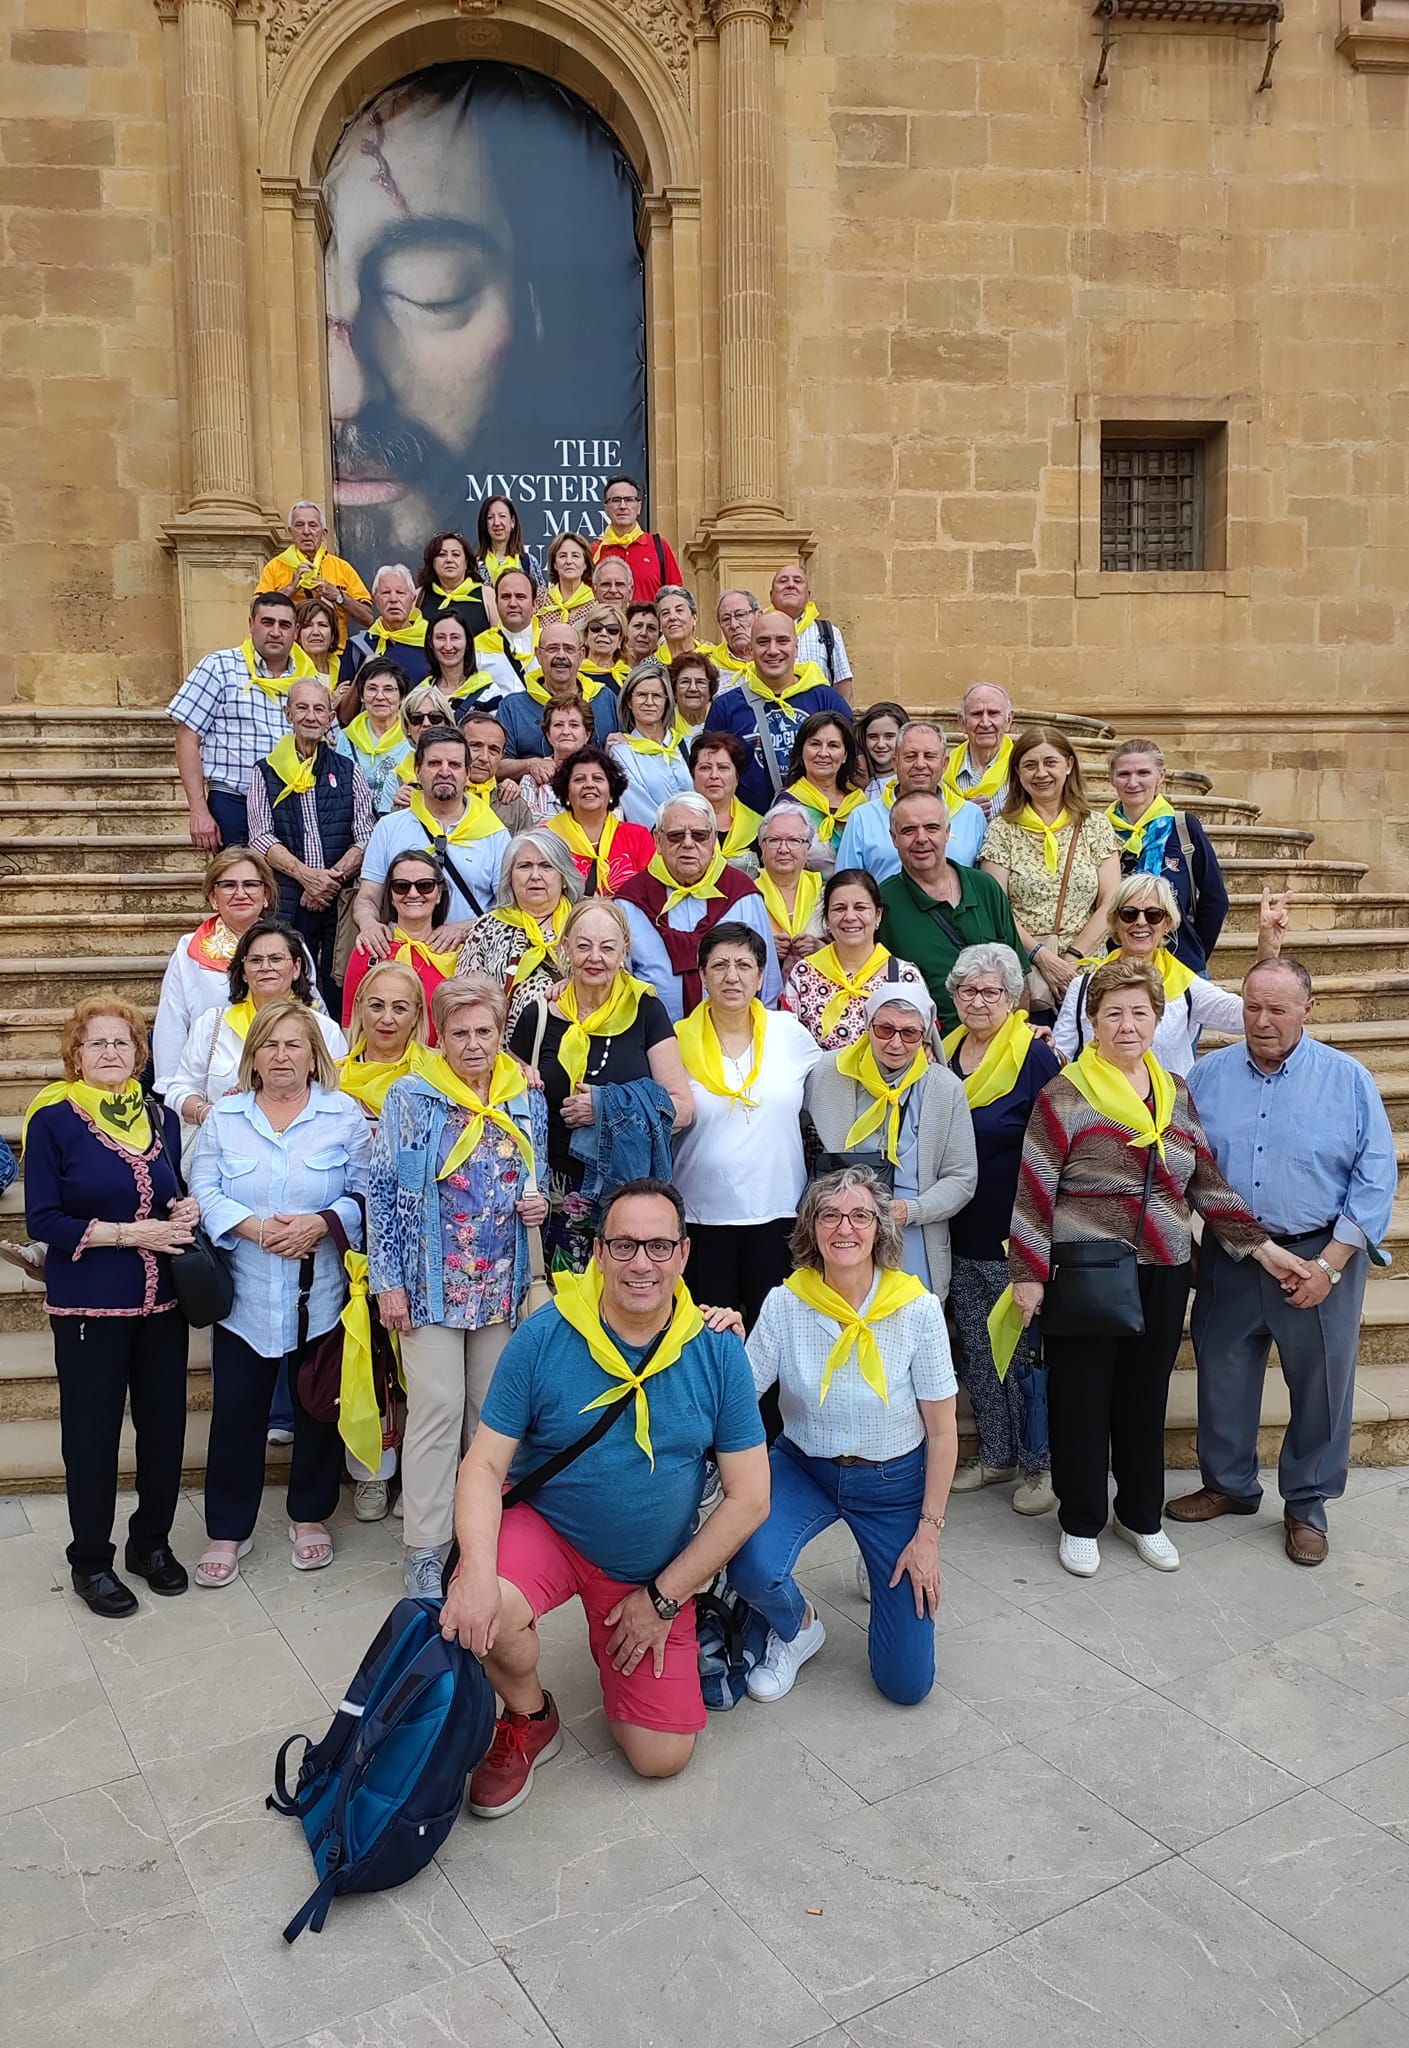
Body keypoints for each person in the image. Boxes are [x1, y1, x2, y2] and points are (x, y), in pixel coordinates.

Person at [441, 1177, 769, 1809]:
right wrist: (476, 1572)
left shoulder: (718, 1350)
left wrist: (664, 1599)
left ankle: (627, 1640)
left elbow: (751, 1496)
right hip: (550, 1529)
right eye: (623, 1245)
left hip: (648, 1566)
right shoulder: (545, 1335)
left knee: (660, 1757)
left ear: (683, 1254)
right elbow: (482, 1465)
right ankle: (529, 1713)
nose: (641, 1263)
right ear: (598, 1252)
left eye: (658, 1246)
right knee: (487, 1609)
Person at [1008, 959, 1309, 1579]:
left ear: (1158, 1019)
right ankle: (1081, 1519)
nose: (1128, 1025)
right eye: (1113, 1013)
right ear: (1093, 1022)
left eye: (1140, 1012)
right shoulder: (1064, 1094)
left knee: (1144, 1399)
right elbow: (1035, 1187)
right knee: (1081, 1398)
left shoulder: (1174, 1090)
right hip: (1088, 1268)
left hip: (1164, 1268)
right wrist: (1028, 1273)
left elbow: (1205, 1182)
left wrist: (1264, 1249)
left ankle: (1141, 1515)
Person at [1170, 959, 1398, 1564]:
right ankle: (1229, 1485)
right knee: (1222, 1375)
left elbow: (1376, 1176)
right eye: (1252, 1007)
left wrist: (1331, 1264)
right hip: (1233, 1254)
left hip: (1318, 1256)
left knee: (1321, 1388)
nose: (1262, 1021)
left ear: (1308, 1009)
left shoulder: (1347, 1079)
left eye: (1277, 1009)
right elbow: (1186, 1164)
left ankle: (1307, 1504)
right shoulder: (1207, 1076)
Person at [730, 1167, 956, 1703]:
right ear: (812, 1229)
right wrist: (721, 1342)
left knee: (907, 1685)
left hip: (893, 1483)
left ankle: (881, 1563)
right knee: (750, 1567)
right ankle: (798, 1626)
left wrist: (928, 1537)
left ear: (880, 1228)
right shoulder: (786, 1303)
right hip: (803, 1467)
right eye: (829, 1215)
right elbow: (739, 1395)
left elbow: (943, 1432)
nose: (844, 1227)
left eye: (860, 1215)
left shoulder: (918, 1309)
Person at [369, 977, 549, 1597]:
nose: (473, 1044)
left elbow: (536, 1176)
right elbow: (383, 1194)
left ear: (501, 1035)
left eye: (484, 1032)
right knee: (436, 1410)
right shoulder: (411, 1096)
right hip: (430, 1284)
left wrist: (538, 1206)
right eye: (460, 1033)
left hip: (500, 1283)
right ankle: (425, 1546)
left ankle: (480, 1540)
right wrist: (388, 1283)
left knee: (490, 1418)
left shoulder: (525, 1097)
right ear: (438, 1036)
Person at [24, 996, 197, 1616]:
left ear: (139, 1054)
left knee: (165, 1429)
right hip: (88, 1308)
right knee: (92, 1436)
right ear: (76, 1054)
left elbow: (171, 1190)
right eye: (96, 1043)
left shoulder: (160, 1117)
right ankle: (91, 1560)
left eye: (122, 1042)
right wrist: (128, 1234)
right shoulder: (53, 1120)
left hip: (162, 1305)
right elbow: (43, 1219)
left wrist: (184, 1208)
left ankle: (150, 1543)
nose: (110, 1052)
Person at [189, 1001, 372, 1585]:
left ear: (315, 1056)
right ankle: (227, 1528)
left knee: (316, 1408)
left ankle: (310, 1515)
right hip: (245, 1296)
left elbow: (367, 1191)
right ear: (253, 1057)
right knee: (236, 1412)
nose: (282, 1056)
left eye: (294, 1045)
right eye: (269, 1045)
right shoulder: (226, 1117)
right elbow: (203, 1188)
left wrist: (320, 1223)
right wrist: (258, 1229)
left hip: (321, 1294)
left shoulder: (342, 1115)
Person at [507, 901, 692, 1273]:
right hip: (552, 1199)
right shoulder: (538, 1016)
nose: (595, 958)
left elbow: (682, 1109)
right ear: (565, 946)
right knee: (560, 1300)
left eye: (607, 947)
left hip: (626, 1194)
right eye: (583, 946)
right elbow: (505, 1098)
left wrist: (607, 1108)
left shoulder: (646, 1012)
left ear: (624, 950)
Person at [941, 944, 1063, 1513]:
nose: (979, 1001)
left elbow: (1058, 1141)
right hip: (956, 1228)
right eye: (968, 990)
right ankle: (995, 1455)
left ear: (1014, 998)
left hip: (1016, 1232)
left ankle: (1040, 1467)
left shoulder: (1034, 1055)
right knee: (977, 1351)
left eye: (991, 991)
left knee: (1023, 1355)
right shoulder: (942, 1053)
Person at [673, 922, 824, 1330]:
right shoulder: (676, 1041)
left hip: (778, 1215)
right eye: (719, 965)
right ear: (702, 975)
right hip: (702, 1218)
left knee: (774, 1335)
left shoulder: (788, 1033)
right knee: (708, 1338)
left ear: (760, 977)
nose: (732, 976)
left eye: (744, 965)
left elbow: (839, 1079)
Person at [804, 985, 977, 1294]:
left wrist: (909, 1210)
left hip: (914, 1235)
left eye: (909, 1033)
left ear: (925, 1036)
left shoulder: (944, 1088)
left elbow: (962, 1177)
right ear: (868, 1024)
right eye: (885, 1029)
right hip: (843, 1231)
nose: (896, 1043)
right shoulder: (828, 1072)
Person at [337, 960, 431, 1520]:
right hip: (348, 1239)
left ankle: (418, 1473)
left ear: (418, 1015)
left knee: (417, 1360)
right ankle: (371, 1471)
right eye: (376, 1005)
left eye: (401, 1007)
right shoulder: (331, 1080)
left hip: (417, 1242)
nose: (387, 1018)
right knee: (365, 1356)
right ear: (358, 1010)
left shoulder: (436, 1079)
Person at [1053, 874, 1287, 1075]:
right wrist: (1040, 1043)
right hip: (1098, 1108)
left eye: (1153, 915)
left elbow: (1246, 1017)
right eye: (1129, 914)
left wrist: (1267, 951)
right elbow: (1060, 1056)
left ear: (1167, 923)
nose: (1141, 922)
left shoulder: (1186, 985)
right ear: (1115, 921)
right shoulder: (1084, 987)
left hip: (1168, 1110)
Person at [166, 915, 349, 1146]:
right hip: (223, 1147)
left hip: (303, 1151)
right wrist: (208, 1114)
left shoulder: (324, 1030)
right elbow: (179, 1090)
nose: (265, 967)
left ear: (296, 968)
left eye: (276, 959)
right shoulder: (212, 1024)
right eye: (255, 960)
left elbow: (338, 1095)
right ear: (243, 972)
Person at [246, 676, 374, 1007]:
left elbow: (365, 835)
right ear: (288, 714)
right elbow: (260, 837)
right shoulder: (265, 771)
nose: (311, 716)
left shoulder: (348, 770)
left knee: (337, 986)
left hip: (338, 900)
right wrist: (306, 877)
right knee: (288, 985)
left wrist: (330, 880)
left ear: (330, 717)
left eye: (319, 709)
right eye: (302, 708)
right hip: (288, 898)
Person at [981, 728, 1122, 1015]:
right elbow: (996, 906)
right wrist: (1043, 958)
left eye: (1050, 762)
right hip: (1025, 972)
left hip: (1085, 971)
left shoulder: (1095, 826)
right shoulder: (1002, 830)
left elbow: (1111, 901)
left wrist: (1070, 962)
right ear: (1017, 772)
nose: (1041, 773)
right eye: (1030, 765)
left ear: (1068, 765)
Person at [616, 792, 782, 1020]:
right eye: (675, 836)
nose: (688, 844)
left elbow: (768, 980)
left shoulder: (743, 893)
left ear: (714, 839)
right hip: (653, 1036)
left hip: (736, 1034)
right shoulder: (629, 900)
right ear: (658, 841)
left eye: (700, 835)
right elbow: (618, 983)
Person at [169, 591, 314, 851]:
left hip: (291, 805)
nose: (275, 632)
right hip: (234, 801)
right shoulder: (219, 667)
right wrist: (198, 810)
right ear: (251, 624)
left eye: (284, 625)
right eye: (267, 622)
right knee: (240, 877)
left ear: (296, 631)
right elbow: (187, 739)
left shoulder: (308, 679)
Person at [152, 847, 297, 1095]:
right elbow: (172, 1020)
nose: (240, 893)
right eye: (228, 885)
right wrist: (172, 1090)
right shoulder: (190, 949)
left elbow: (310, 1006)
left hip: (285, 1077)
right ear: (213, 896)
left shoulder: (291, 944)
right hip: (214, 1084)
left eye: (250, 884)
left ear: (265, 894)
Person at [877, 793, 1025, 1031]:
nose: (921, 838)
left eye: (932, 828)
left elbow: (1020, 975)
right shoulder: (884, 903)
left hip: (999, 1039)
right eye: (909, 830)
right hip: (930, 1045)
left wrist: (1020, 1034)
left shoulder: (985, 887)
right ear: (894, 838)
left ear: (947, 832)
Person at [356, 725, 508, 941]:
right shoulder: (388, 827)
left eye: (454, 765)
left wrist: (466, 929)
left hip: (471, 953)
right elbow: (368, 897)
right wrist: (369, 924)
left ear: (467, 773)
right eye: (434, 763)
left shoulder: (494, 833)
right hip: (404, 953)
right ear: (417, 770)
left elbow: (508, 908)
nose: (444, 772)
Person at [704, 609, 852, 814]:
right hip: (750, 828)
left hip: (821, 823)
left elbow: (854, 764)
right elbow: (709, 774)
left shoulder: (827, 699)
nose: (773, 650)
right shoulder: (725, 707)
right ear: (751, 649)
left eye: (782, 641)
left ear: (796, 647)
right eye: (763, 642)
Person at [1107, 737, 1230, 975]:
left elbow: (1215, 898)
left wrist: (1196, 953)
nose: (1133, 782)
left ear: (1161, 776)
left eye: (1143, 773)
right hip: (1116, 962)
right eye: (1124, 774)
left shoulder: (1183, 827)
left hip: (1179, 962)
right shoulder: (1100, 831)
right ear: (1111, 778)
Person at [782, 867, 927, 1050]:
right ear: (827, 918)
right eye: (839, 908)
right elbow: (788, 1043)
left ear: (878, 915)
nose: (850, 917)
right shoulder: (804, 974)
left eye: (860, 907)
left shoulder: (904, 976)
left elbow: (923, 1043)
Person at [456, 828, 584, 1031]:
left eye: (546, 866)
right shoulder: (487, 927)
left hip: (580, 1039)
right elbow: (463, 998)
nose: (535, 876)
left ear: (563, 876)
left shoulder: (585, 922)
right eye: (525, 866)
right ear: (509, 877)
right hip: (504, 1046)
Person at [837, 721, 988, 881]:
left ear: (944, 764)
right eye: (910, 756)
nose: (920, 764)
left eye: (929, 756)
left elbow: (981, 883)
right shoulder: (863, 818)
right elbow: (845, 884)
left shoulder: (972, 815)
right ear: (895, 763)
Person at [342, 848, 457, 1032]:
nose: (413, 893)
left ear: (439, 894)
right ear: (391, 896)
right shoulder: (371, 948)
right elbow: (350, 1024)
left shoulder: (458, 950)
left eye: (425, 885)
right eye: (402, 886)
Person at [498, 618, 619, 777]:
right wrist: (530, 764)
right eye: (552, 648)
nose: (561, 655)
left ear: (581, 655)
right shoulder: (513, 706)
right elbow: (496, 766)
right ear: (538, 655)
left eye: (569, 649)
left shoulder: (605, 698)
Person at [542, 744, 657, 896]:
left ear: (611, 790)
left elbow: (653, 892)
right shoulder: (546, 838)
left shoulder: (637, 836)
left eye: (598, 778)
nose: (589, 784)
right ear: (566, 792)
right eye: (579, 779)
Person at [256, 500, 373, 637]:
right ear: (290, 532)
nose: (306, 531)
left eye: (312, 525)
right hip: (290, 647)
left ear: (324, 533)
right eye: (299, 525)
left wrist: (338, 596)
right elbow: (256, 611)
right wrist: (290, 589)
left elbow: (368, 618)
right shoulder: (275, 567)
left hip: (337, 648)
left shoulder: (342, 568)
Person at [777, 710, 868, 869]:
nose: (823, 753)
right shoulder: (787, 805)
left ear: (845, 755)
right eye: (815, 744)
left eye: (833, 745)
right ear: (801, 751)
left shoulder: (860, 804)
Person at [608, 664, 692, 828]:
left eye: (657, 696)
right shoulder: (621, 753)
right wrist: (675, 832)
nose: (649, 702)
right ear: (629, 702)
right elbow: (638, 808)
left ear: (667, 701)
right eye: (641, 695)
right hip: (657, 837)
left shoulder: (686, 745)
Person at [336, 656, 414, 814]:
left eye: (388, 690)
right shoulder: (346, 737)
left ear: (402, 697)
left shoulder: (412, 737)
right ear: (361, 695)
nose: (379, 696)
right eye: (372, 689)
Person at [755, 807, 827, 976]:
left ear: (808, 847)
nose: (783, 849)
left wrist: (821, 948)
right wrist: (762, 949)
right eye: (774, 840)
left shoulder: (825, 894)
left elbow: (850, 949)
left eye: (794, 840)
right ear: (761, 846)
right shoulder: (747, 895)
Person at [590, 474, 683, 599]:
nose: (623, 506)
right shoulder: (594, 552)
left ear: (639, 507)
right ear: (606, 508)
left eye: (629, 500)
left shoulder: (659, 546)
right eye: (616, 500)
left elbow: (676, 597)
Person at [770, 562, 853, 700]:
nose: (790, 585)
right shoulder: (758, 633)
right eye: (783, 581)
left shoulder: (828, 633)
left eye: (797, 581)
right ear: (771, 595)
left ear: (808, 596)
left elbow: (843, 690)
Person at [346, 565, 432, 686]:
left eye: (400, 593)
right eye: (385, 593)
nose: (393, 599)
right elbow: (343, 696)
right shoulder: (358, 647)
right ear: (375, 600)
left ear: (413, 599)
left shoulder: (432, 642)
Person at [690, 730, 762, 874]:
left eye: (723, 768)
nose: (714, 775)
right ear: (693, 774)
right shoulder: (672, 823)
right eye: (705, 768)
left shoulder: (761, 828)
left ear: (737, 776)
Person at [942, 682, 1014, 819]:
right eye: (977, 714)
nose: (985, 723)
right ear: (962, 722)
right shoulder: (943, 772)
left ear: (1008, 720)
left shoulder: (1022, 768)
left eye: (993, 713)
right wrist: (964, 813)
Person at [457, 711, 533, 835]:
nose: (484, 758)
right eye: (475, 746)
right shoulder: (439, 794)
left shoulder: (516, 807)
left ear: (502, 755)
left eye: (493, 750)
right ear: (456, 746)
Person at [520, 698, 592, 824]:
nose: (566, 732)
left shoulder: (604, 775)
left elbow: (611, 817)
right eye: (558, 725)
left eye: (574, 725)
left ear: (587, 734)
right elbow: (529, 823)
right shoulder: (531, 780)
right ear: (548, 734)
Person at [473, 567, 541, 698]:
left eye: (520, 596)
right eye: (506, 597)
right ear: (496, 603)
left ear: (534, 605)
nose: (512, 603)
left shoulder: (552, 644)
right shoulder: (478, 648)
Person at [416, 530, 493, 641]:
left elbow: (499, 640)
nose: (449, 560)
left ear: (466, 562)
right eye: (442, 555)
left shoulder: (487, 595)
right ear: (432, 562)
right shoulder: (419, 596)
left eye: (456, 554)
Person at [477, 495, 536, 591]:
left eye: (502, 516)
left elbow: (540, 598)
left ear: (512, 522)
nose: (496, 523)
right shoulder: (475, 565)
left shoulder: (528, 562)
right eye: (490, 517)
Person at [537, 531, 597, 626]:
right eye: (563, 556)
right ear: (555, 564)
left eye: (575, 556)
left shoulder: (596, 603)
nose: (569, 561)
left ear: (585, 564)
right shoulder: (540, 599)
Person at [295, 597, 345, 698]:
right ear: (297, 634)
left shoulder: (344, 669)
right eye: (307, 625)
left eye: (322, 625)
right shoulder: (289, 670)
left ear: (332, 635)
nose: (316, 632)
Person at [855, 701, 908, 795]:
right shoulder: (855, 783)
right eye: (873, 737)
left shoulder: (912, 782)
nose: (881, 745)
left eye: (889, 736)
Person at [708, 588, 761, 680]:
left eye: (740, 615)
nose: (733, 625)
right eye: (726, 619)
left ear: (759, 616)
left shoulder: (776, 658)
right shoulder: (710, 668)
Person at [578, 603, 631, 692]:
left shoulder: (629, 678)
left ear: (620, 640)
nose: (603, 633)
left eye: (612, 629)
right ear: (586, 635)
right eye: (596, 627)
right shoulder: (572, 674)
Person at [669, 650, 719, 742]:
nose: (693, 688)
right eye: (685, 681)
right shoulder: (665, 723)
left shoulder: (721, 717)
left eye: (700, 682)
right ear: (674, 690)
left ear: (710, 690)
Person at [655, 585, 709, 664]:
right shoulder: (649, 667)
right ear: (660, 624)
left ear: (694, 618)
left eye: (679, 610)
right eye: (665, 613)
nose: (672, 617)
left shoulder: (713, 658)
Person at [625, 601, 661, 667]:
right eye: (638, 626)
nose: (644, 633)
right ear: (625, 630)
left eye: (651, 628)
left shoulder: (664, 670)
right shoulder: (610, 663)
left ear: (659, 636)